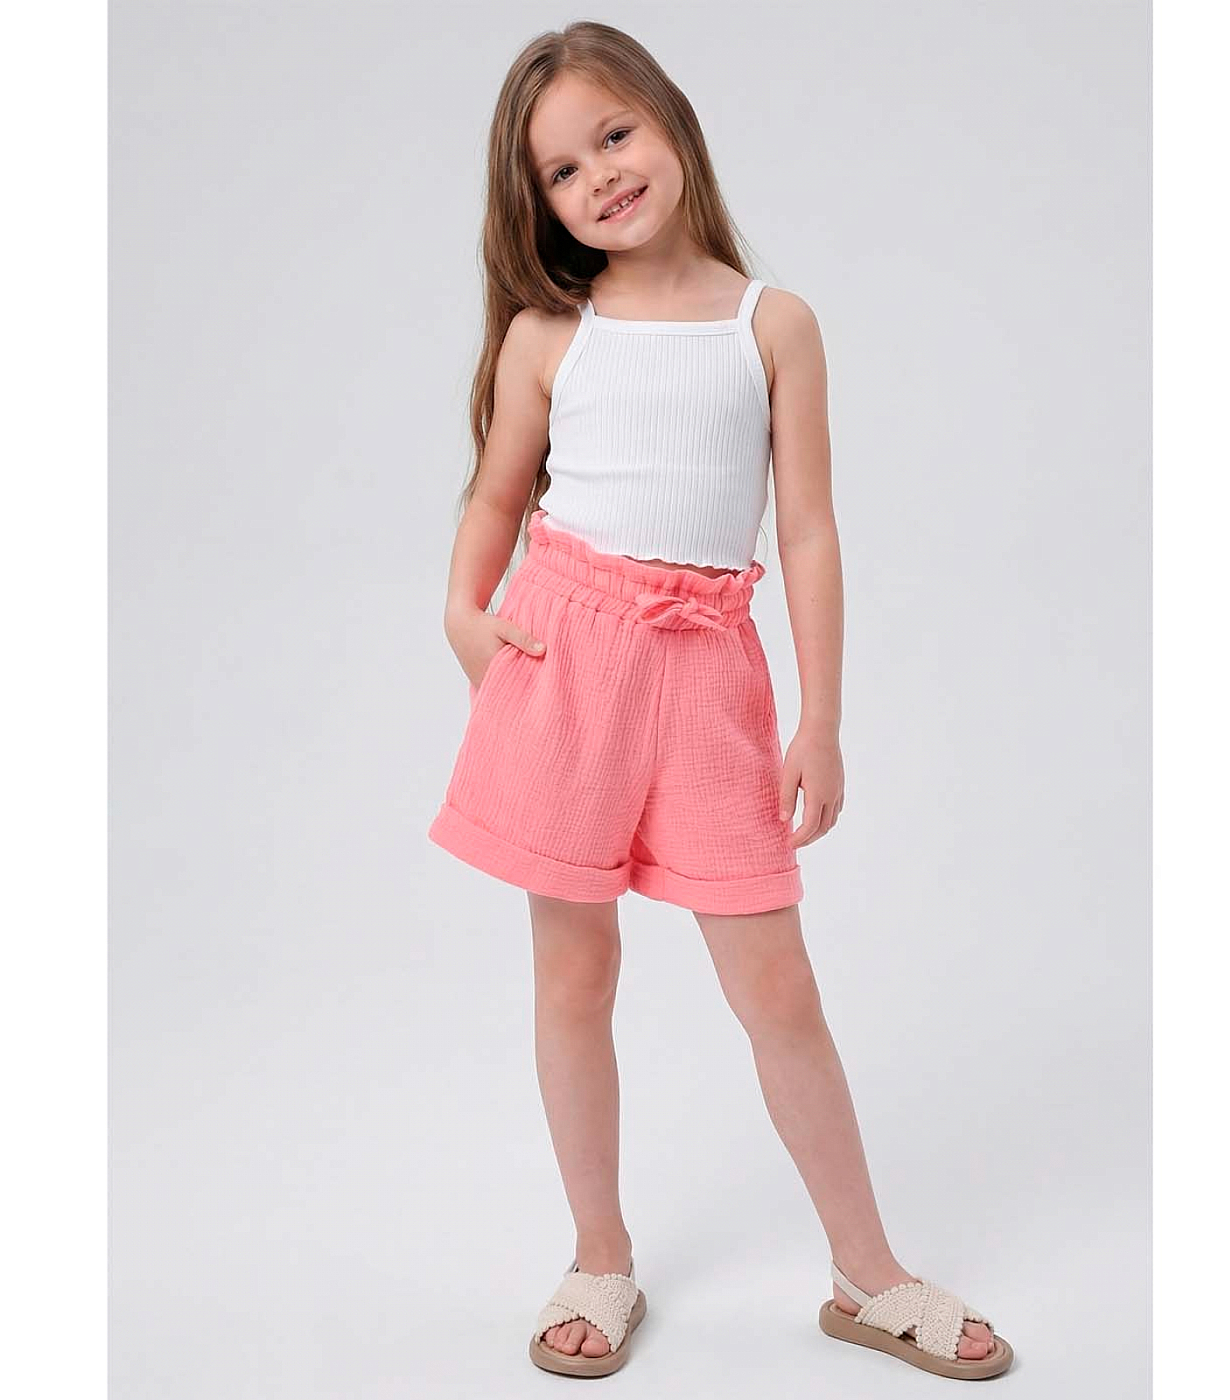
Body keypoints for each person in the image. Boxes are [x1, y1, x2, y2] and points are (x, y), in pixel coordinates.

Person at [427, 20, 1013, 1382]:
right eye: (564, 171)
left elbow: (806, 528)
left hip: (708, 678)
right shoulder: (548, 337)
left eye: (614, 135)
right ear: (542, 206)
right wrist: (463, 610)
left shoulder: (774, 325)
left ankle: (868, 1274)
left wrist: (821, 718)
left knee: (779, 989)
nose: (600, 176)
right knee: (575, 971)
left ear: (671, 119)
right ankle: (599, 1254)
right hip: (568, 663)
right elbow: (499, 494)